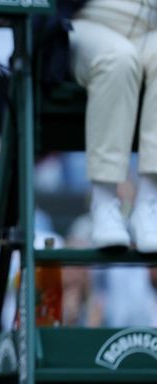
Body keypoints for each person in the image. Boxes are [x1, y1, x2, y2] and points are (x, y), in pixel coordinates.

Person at [67, 0, 157, 250]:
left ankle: (149, 204)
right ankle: (104, 202)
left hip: (150, 27)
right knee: (118, 58)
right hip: (89, 21)